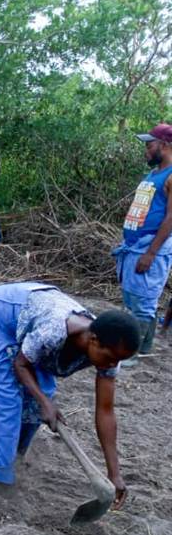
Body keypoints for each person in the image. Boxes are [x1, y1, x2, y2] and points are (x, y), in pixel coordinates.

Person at [0, 282, 140, 506]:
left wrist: (114, 472)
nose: (112, 365)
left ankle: (14, 459)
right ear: (94, 340)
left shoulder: (108, 352)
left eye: (119, 360)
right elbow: (20, 365)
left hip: (31, 330)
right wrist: (44, 403)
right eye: (110, 358)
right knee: (7, 407)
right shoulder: (53, 330)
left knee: (36, 403)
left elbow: (105, 411)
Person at [112, 123, 172, 361]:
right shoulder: (154, 173)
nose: (146, 150)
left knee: (143, 302)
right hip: (135, 246)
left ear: (165, 145)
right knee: (132, 297)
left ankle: (134, 353)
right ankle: (140, 348)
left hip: (149, 249)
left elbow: (170, 217)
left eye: (149, 145)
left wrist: (151, 253)